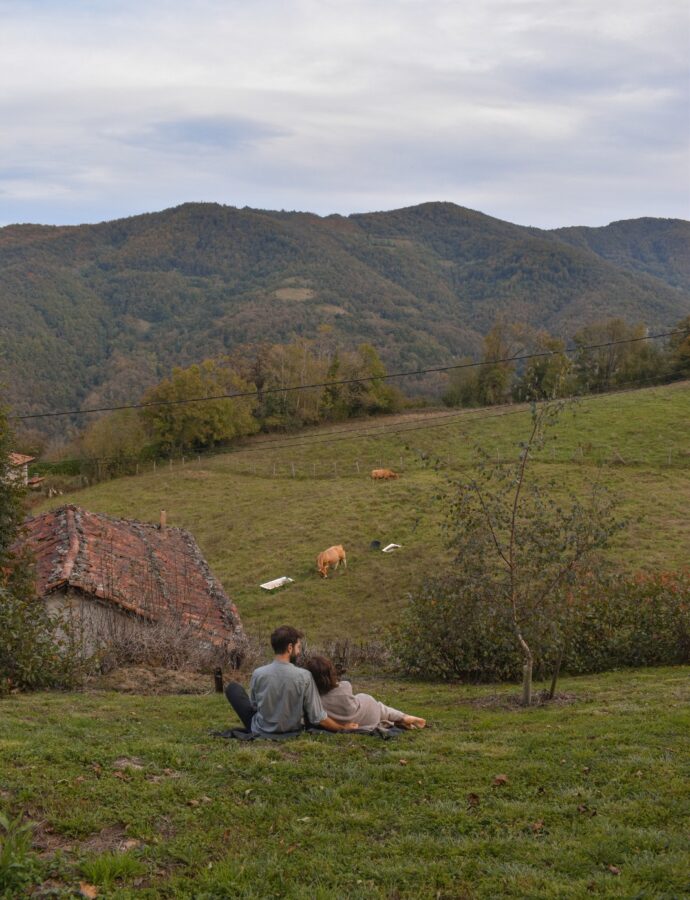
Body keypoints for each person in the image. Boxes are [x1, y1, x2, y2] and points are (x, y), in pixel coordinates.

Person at [224, 625, 360, 737]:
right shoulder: (305, 676)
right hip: (292, 731)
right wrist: (343, 728)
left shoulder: (258, 673)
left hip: (261, 730)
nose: (299, 652)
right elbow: (318, 717)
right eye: (298, 647)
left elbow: (254, 705)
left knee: (233, 688)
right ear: (290, 648)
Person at [304, 655, 426, 730]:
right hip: (368, 715)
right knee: (379, 707)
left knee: (376, 710)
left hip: (359, 724)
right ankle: (403, 717)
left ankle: (397, 721)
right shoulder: (345, 686)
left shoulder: (315, 701)